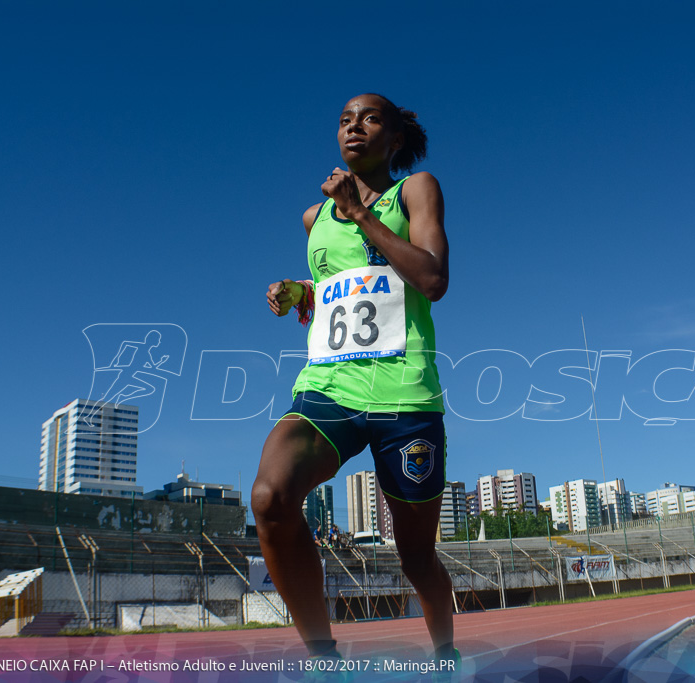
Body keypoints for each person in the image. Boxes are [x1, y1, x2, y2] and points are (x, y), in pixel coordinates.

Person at [251, 94, 457, 668]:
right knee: (270, 496)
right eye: (344, 120)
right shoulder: (313, 219)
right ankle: (323, 657)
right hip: (329, 389)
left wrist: (363, 214)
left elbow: (432, 278)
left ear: (393, 139)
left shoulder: (415, 189)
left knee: (416, 559)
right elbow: (345, 284)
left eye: (369, 119)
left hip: (405, 393)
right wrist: (299, 292)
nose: (353, 128)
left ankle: (445, 654)